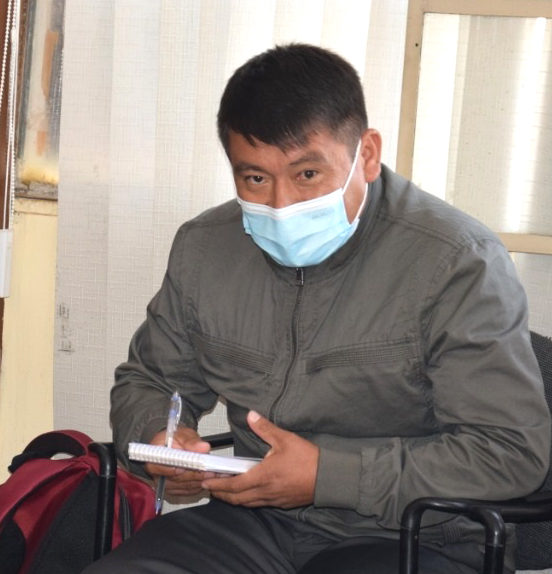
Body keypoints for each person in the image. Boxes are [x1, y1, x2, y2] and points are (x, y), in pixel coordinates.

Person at [85, 44, 551, 574]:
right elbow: (149, 380)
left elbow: (508, 451)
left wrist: (328, 476)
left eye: (307, 174)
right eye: (255, 179)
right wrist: (161, 441)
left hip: (416, 535)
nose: (281, 206)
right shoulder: (205, 248)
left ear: (366, 154)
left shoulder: (456, 261)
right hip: (253, 523)